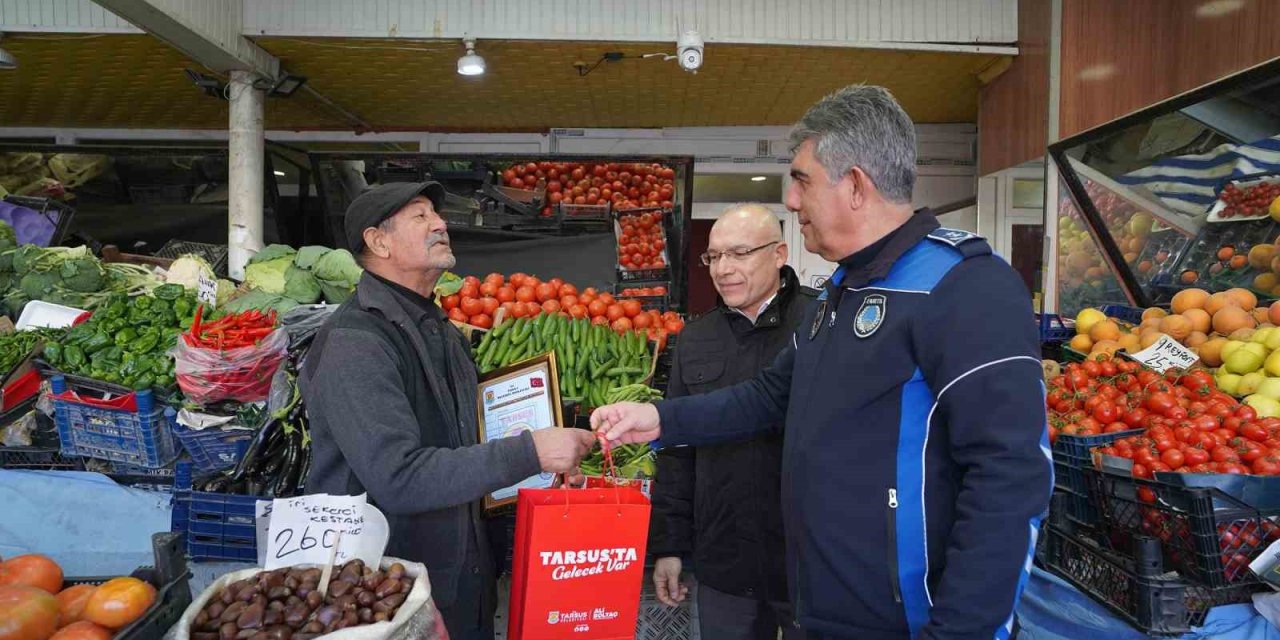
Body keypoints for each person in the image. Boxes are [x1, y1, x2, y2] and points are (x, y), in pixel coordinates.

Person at [593, 85, 1052, 640]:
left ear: (855, 185)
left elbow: (1010, 477)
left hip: (906, 625)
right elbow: (769, 396)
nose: (790, 200)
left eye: (802, 180)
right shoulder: (840, 292)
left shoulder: (964, 286)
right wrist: (661, 419)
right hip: (821, 610)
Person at [300, 182, 597, 640]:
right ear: (378, 242)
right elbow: (399, 476)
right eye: (420, 216)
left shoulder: (440, 329)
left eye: (436, 215)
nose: (440, 224)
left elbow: (468, 440)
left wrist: (545, 469)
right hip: (384, 596)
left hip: (458, 576)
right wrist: (531, 452)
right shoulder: (355, 343)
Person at [649, 203, 813, 640]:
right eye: (714, 256)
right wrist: (669, 544)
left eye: (739, 253)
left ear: (779, 254)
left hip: (807, 562)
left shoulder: (818, 324)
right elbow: (676, 450)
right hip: (724, 560)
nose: (722, 269)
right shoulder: (695, 338)